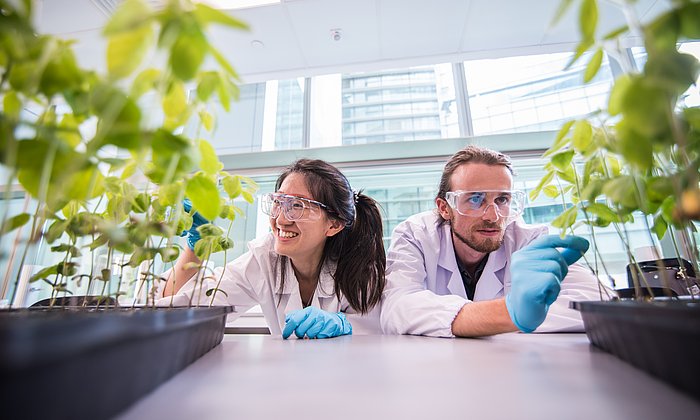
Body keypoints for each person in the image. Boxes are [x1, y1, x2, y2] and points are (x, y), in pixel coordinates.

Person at [380, 145, 601, 337]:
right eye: (475, 199)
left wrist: (490, 319)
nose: (493, 216)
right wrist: (510, 313)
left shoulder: (529, 240)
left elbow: (596, 303)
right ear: (445, 208)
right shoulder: (416, 234)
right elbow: (397, 308)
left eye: (502, 199)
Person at [159, 159, 386, 339]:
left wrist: (347, 326)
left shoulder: (359, 268)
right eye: (279, 202)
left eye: (297, 206)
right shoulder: (264, 259)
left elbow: (381, 334)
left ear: (334, 224)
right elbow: (182, 309)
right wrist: (197, 246)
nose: (281, 220)